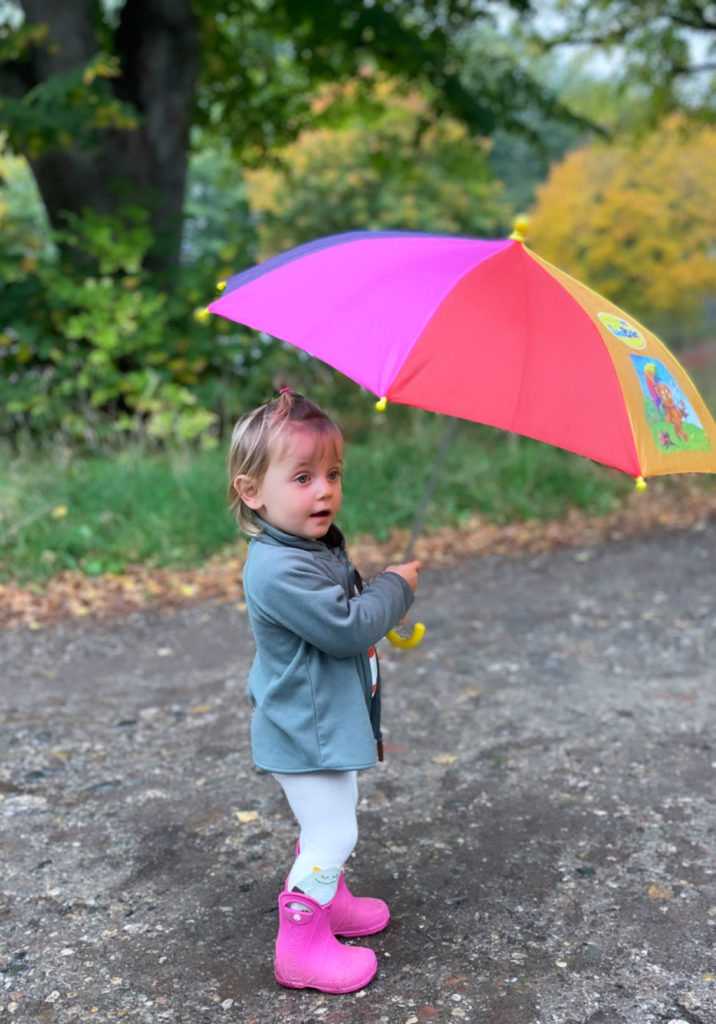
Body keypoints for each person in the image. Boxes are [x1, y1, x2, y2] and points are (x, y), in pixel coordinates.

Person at [227, 388, 422, 993]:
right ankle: (302, 948)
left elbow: (346, 606)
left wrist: (380, 602)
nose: (324, 491)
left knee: (336, 817)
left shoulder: (309, 547)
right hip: (303, 728)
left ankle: (330, 901)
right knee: (334, 831)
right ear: (252, 491)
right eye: (304, 476)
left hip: (322, 721)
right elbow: (346, 627)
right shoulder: (278, 566)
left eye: (333, 474)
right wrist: (395, 589)